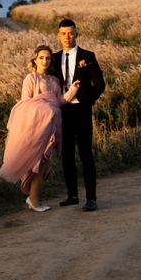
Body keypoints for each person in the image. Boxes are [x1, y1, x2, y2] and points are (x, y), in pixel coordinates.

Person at [0, 45, 80, 212]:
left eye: (48, 58)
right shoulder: (31, 79)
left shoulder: (55, 80)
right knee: (37, 160)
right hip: (36, 126)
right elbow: (25, 103)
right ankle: (33, 198)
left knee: (46, 160)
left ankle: (33, 197)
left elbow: (58, 102)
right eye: (41, 58)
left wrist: (72, 90)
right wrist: (43, 110)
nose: (45, 61)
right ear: (35, 59)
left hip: (51, 124)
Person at [53, 18, 106, 212]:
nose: (67, 37)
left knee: (85, 153)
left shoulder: (88, 56)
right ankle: (72, 195)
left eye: (71, 33)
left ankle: (91, 199)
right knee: (67, 154)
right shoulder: (54, 57)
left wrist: (85, 99)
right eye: (64, 33)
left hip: (82, 111)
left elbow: (100, 85)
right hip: (63, 112)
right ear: (58, 36)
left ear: (76, 34)